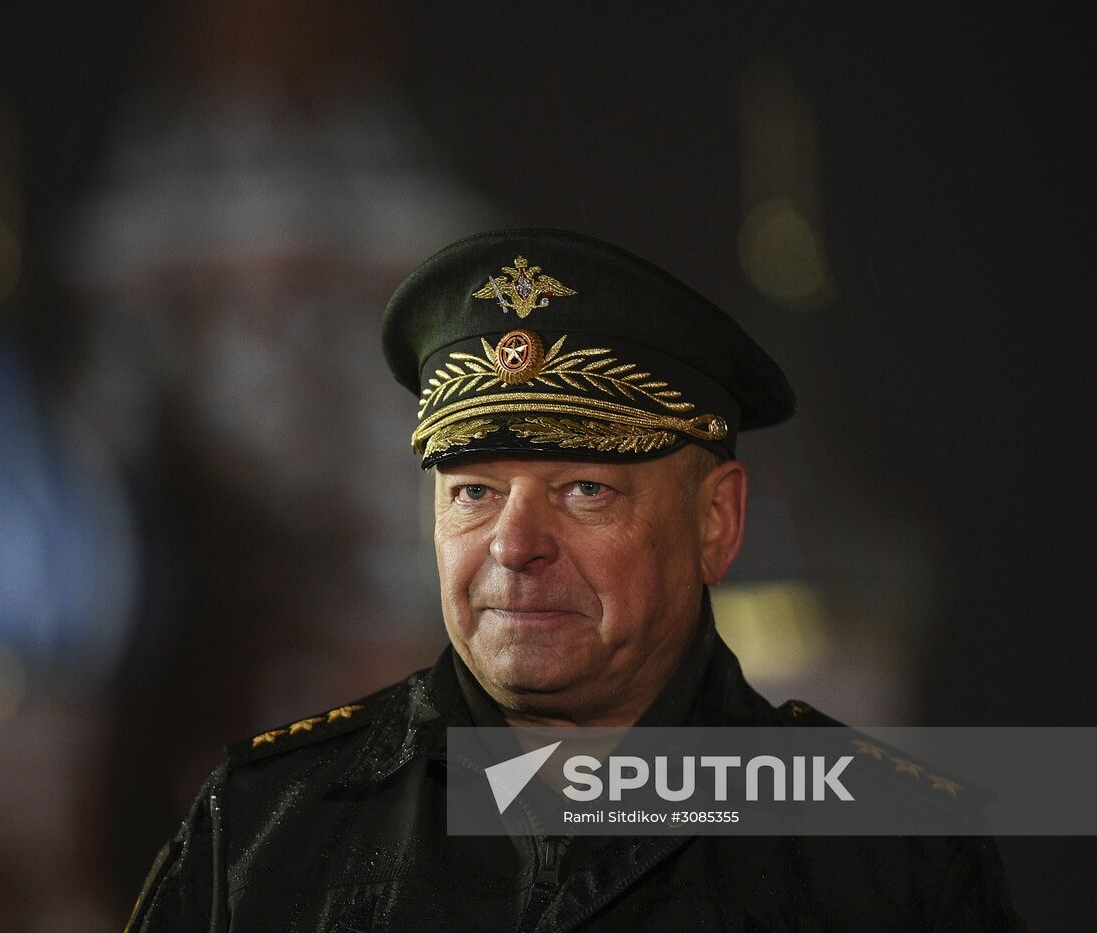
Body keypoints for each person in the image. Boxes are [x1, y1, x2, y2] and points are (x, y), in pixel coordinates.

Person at [125, 229, 1020, 931]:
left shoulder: (889, 850)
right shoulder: (260, 832)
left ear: (718, 522)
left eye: (584, 490)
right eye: (474, 492)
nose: (515, 545)